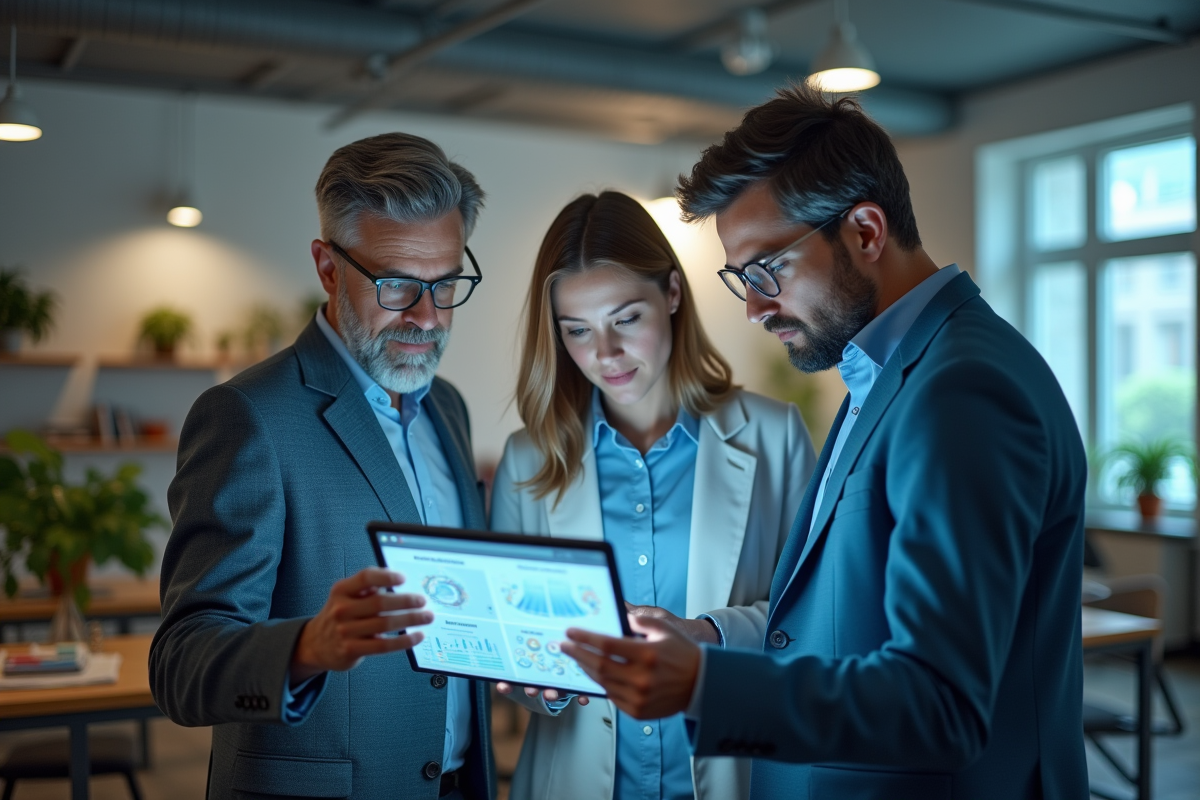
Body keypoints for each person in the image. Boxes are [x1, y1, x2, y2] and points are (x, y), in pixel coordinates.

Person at [560, 86, 1089, 800]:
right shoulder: (892, 372)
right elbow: (841, 625)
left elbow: (943, 705)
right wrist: (707, 641)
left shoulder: (962, 390)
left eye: (765, 270)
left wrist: (707, 686)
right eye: (738, 278)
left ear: (866, 232)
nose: (751, 308)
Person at [150, 133, 495, 800]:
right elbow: (180, 665)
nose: (427, 317)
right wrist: (307, 645)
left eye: (447, 283)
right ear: (328, 267)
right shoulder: (247, 416)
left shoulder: (447, 408)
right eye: (396, 285)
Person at [489, 191, 816, 800]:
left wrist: (710, 635)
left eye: (626, 319)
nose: (604, 354)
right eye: (577, 331)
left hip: (734, 776)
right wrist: (542, 682)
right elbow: (515, 651)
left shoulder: (775, 435)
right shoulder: (528, 459)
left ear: (671, 293)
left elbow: (819, 620)